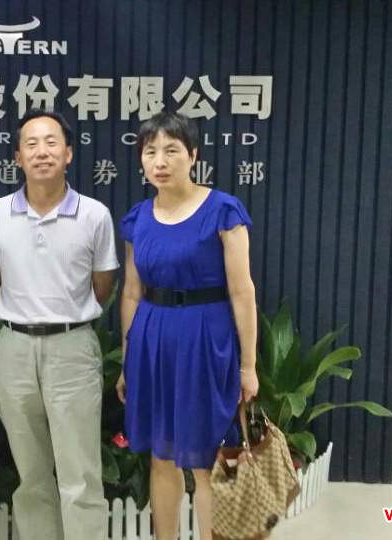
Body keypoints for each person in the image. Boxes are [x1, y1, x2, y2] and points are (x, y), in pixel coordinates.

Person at [0, 109, 118, 540]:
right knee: (31, 474)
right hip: (15, 349)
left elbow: (102, 286)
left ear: (69, 153)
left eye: (52, 142)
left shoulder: (94, 215)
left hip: (72, 349)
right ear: (17, 157)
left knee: (80, 475)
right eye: (31, 144)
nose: (42, 152)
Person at [117, 111, 260, 540]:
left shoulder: (223, 211)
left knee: (205, 459)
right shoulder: (138, 218)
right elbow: (131, 293)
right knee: (161, 457)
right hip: (152, 340)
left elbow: (242, 292)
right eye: (150, 152)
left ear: (193, 155)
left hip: (205, 340)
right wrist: (127, 360)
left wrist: (248, 366)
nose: (160, 161)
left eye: (171, 150)